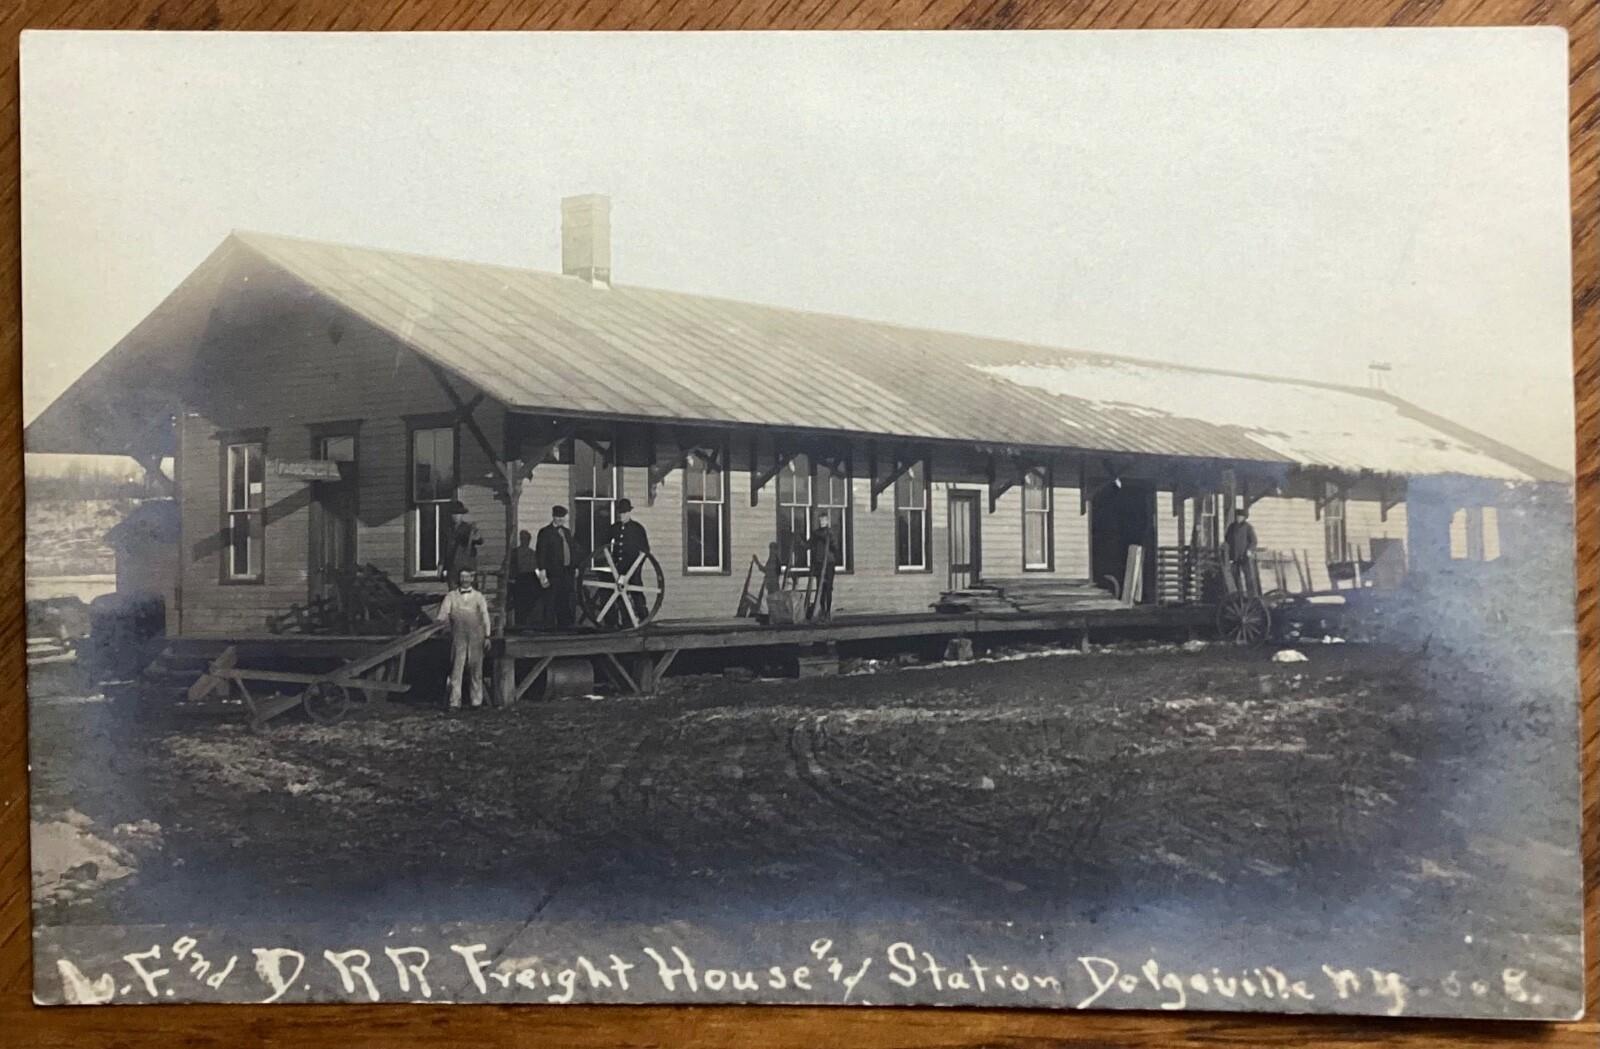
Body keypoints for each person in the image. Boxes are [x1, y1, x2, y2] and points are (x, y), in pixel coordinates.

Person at [436, 568, 491, 709]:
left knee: (476, 669)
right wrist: (446, 628)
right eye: (463, 577)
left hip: (476, 635)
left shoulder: (479, 597)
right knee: (457, 669)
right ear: (459, 579)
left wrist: (487, 636)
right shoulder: (451, 596)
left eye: (468, 577)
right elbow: (442, 615)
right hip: (458, 635)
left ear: (472, 579)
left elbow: (485, 617)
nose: (465, 580)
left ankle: (476, 702)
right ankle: (455, 702)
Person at [606, 498, 652, 625]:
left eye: (624, 513)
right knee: (620, 597)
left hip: (633, 568)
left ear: (629, 513)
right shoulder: (613, 529)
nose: (622, 515)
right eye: (620, 513)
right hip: (618, 569)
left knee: (637, 595)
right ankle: (627, 623)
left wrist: (637, 568)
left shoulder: (637, 529)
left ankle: (644, 621)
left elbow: (645, 551)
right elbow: (604, 547)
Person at [535, 505, 578, 628]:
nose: (561, 520)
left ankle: (564, 626)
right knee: (550, 601)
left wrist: (575, 567)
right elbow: (541, 553)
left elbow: (572, 550)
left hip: (566, 572)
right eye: (558, 517)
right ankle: (549, 628)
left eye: (563, 517)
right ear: (553, 517)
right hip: (552, 573)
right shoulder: (545, 532)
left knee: (564, 601)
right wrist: (542, 572)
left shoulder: (566, 532)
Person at [806, 513, 840, 622]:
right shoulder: (816, 533)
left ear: (827, 521)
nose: (822, 522)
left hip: (828, 563)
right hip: (819, 563)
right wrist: (800, 542)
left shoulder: (830, 533)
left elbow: (835, 547)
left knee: (828, 588)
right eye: (820, 520)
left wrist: (828, 540)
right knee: (820, 589)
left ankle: (828, 612)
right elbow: (809, 545)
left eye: (824, 520)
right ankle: (822, 610)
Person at [508, 529, 542, 629]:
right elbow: (510, 568)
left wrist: (541, 579)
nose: (525, 541)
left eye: (527, 539)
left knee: (532, 597)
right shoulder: (514, 553)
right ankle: (519, 622)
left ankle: (526, 620)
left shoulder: (532, 553)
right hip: (518, 580)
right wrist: (511, 578)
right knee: (519, 600)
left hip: (530, 580)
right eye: (523, 539)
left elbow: (537, 568)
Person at [1224, 509, 1259, 595]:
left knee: (1249, 576)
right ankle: (1239, 595)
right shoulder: (1231, 527)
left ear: (1244, 517)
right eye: (1237, 517)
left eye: (1241, 517)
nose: (1239, 518)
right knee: (1235, 576)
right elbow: (1227, 539)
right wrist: (1229, 552)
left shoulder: (1248, 527)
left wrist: (1249, 550)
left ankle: (1252, 595)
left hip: (1244, 556)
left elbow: (1253, 541)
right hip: (1234, 557)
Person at [443, 500, 481, 580]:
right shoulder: (448, 530)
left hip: (466, 566)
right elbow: (445, 550)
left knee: (468, 590)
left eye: (459, 513)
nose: (456, 516)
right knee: (453, 590)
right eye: (454, 513)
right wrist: (443, 567)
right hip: (452, 567)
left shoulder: (468, 528)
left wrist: (475, 535)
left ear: (462, 515)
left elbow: (479, 540)